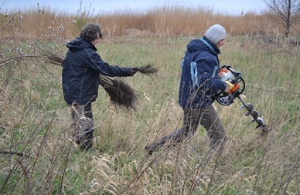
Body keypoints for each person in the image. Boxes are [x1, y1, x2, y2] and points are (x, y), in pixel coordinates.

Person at [145, 24, 234, 155]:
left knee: (187, 132)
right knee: (219, 136)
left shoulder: (195, 50)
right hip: (200, 102)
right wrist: (225, 85)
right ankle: (209, 168)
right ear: (215, 39)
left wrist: (216, 75)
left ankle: (154, 148)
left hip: (188, 99)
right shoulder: (206, 56)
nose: (223, 42)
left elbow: (197, 75)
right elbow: (204, 82)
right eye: (222, 39)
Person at [62, 23, 138, 151]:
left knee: (77, 123)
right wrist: (127, 71)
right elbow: (105, 69)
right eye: (97, 37)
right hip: (81, 95)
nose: (99, 40)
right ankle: (85, 153)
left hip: (70, 92)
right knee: (86, 125)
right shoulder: (87, 53)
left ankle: (77, 150)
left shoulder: (73, 49)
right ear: (91, 37)